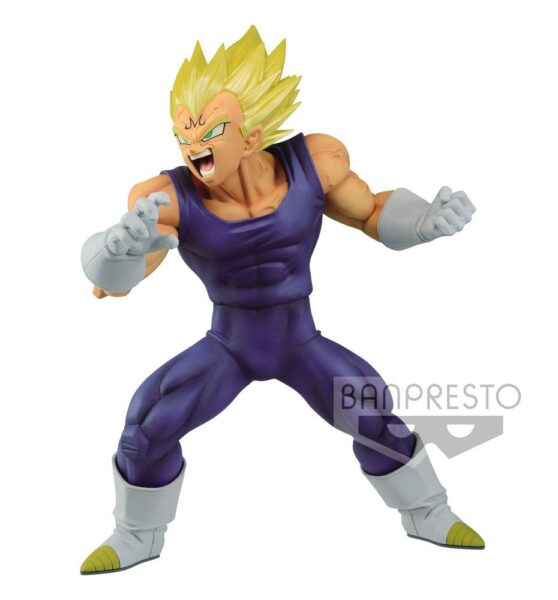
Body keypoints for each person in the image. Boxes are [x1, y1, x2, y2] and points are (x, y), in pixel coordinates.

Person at [80, 26, 483, 575]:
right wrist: (116, 249)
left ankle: (428, 512)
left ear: (252, 136)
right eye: (183, 131)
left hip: (298, 339)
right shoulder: (164, 197)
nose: (194, 145)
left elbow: (370, 211)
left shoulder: (315, 161)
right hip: (229, 345)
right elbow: (117, 280)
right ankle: (137, 533)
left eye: (211, 130)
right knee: (147, 424)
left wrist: (424, 223)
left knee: (374, 413)